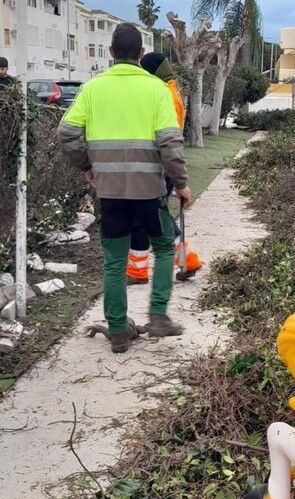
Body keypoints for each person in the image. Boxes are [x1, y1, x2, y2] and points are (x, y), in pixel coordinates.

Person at [57, 23, 192, 354]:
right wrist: (182, 184)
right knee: (164, 247)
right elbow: (170, 143)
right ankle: (158, 316)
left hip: (110, 192)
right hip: (149, 192)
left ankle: (118, 331)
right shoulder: (157, 89)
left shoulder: (93, 88)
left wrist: (87, 166)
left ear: (111, 52)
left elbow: (67, 133)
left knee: (115, 262)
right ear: (141, 53)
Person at [126, 52, 202, 285]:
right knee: (150, 216)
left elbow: (166, 136)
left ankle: (180, 261)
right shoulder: (170, 90)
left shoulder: (164, 95)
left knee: (148, 216)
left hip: (157, 166)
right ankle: (180, 261)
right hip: (161, 165)